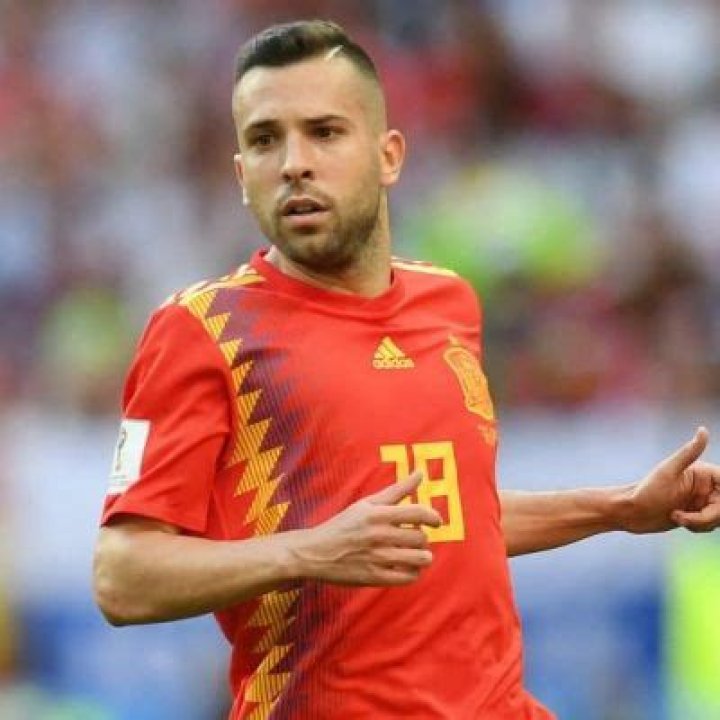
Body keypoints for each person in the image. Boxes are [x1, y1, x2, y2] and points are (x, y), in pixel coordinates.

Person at [93, 20, 720, 720]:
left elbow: (456, 520)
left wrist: (621, 509)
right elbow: (122, 577)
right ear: (242, 176)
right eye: (266, 140)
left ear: (388, 155)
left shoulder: (447, 303)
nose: (294, 163)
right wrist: (309, 552)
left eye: (324, 132)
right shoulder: (202, 330)